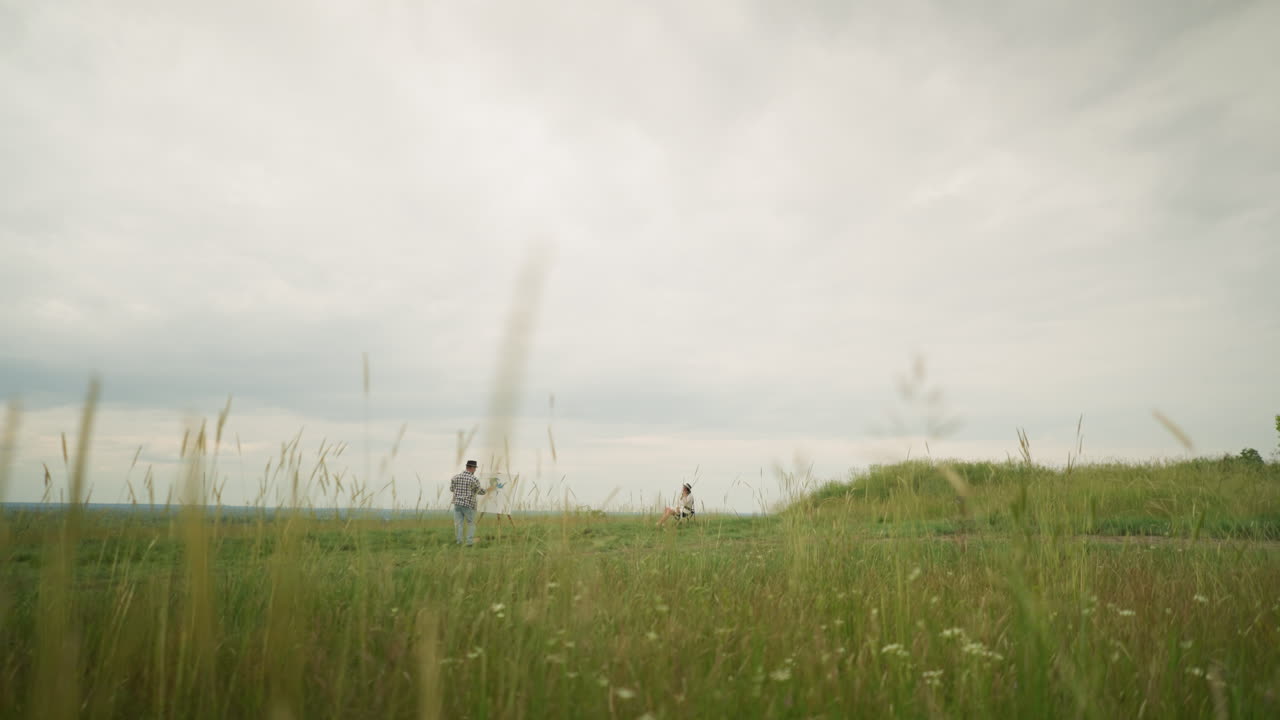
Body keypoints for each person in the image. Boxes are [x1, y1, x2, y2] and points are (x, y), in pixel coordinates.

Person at [449, 460, 491, 546]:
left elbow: (452, 489)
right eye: (475, 468)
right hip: (469, 505)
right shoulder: (473, 479)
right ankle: (469, 542)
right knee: (471, 523)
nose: (475, 470)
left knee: (458, 524)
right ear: (472, 468)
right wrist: (488, 490)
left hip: (457, 504)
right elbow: (480, 491)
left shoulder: (455, 477)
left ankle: (459, 542)